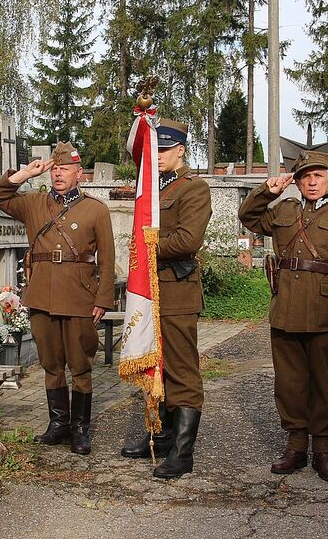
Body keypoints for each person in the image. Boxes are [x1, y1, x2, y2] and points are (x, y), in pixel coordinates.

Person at [238, 150, 328, 482]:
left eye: (318, 175)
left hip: (327, 309)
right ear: (297, 182)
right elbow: (248, 216)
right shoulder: (284, 209)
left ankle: (323, 449)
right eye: (305, 177)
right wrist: (268, 190)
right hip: (286, 308)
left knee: (322, 382)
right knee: (289, 382)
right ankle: (296, 445)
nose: (312, 182)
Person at [0, 142, 115, 455]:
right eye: (54, 169)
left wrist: (103, 299)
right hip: (42, 296)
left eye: (65, 169)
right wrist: (25, 173)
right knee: (51, 364)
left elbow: (108, 260)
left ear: (78, 174)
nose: (58, 174)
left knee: (80, 366)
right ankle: (58, 424)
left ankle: (80, 429)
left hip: (79, 298)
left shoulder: (95, 210)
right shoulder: (34, 203)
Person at [119, 118, 212, 479]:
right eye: (151, 151)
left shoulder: (193, 189)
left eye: (162, 150)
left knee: (181, 369)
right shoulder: (152, 190)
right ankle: (161, 433)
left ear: (180, 151)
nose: (155, 156)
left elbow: (188, 240)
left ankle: (183, 452)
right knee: (154, 363)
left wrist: (147, 249)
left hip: (175, 289)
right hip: (149, 292)